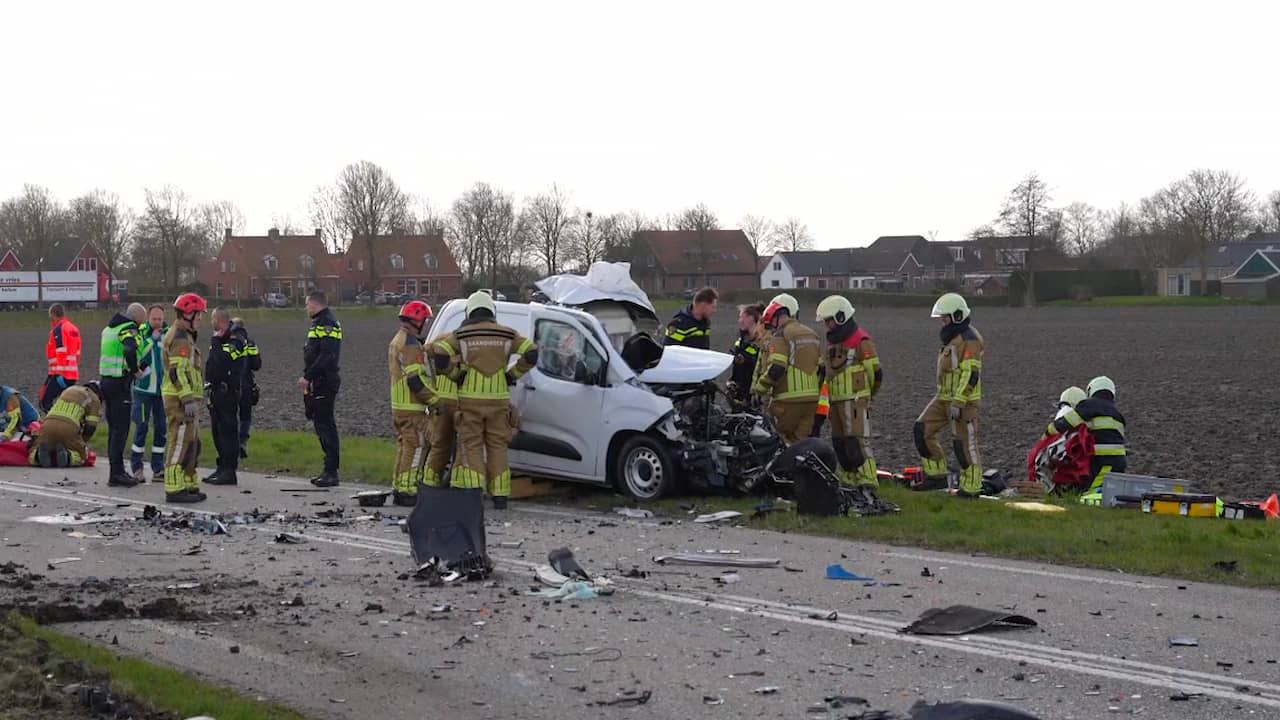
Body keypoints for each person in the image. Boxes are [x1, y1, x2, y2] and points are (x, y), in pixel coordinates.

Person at [432, 291, 537, 510]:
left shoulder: (461, 335)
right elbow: (531, 352)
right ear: (492, 311)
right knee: (497, 447)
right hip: (498, 401)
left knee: (472, 446)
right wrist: (511, 374)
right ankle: (500, 495)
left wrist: (455, 375)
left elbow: (439, 352)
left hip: (470, 401)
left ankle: (474, 492)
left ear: (470, 311)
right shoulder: (508, 334)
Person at [913, 292, 985, 495]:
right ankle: (937, 476)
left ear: (957, 316)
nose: (942, 322)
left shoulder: (969, 340)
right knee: (921, 430)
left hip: (963, 402)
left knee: (963, 445)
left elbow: (971, 373)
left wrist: (959, 401)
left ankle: (971, 488)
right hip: (943, 398)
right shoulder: (953, 338)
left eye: (944, 318)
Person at [816, 295, 883, 487]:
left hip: (854, 400)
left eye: (829, 320)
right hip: (836, 400)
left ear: (840, 317)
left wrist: (868, 396)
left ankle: (868, 479)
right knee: (839, 441)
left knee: (857, 440)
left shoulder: (861, 340)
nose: (827, 325)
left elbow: (876, 373)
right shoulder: (833, 342)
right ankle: (849, 477)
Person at [751, 293, 822, 444]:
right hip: (811, 402)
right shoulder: (812, 334)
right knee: (800, 446)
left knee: (780, 444)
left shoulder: (780, 334)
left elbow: (777, 367)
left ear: (776, 318)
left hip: (787, 401)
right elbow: (821, 368)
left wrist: (758, 391)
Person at [388, 301, 438, 506]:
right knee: (416, 446)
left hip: (400, 405)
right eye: (424, 320)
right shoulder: (409, 344)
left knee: (405, 446)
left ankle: (399, 486)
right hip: (411, 406)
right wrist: (435, 401)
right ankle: (407, 490)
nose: (425, 324)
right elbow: (415, 379)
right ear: (417, 320)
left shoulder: (399, 339)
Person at [1049, 376, 1126, 506]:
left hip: (1101, 459)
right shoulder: (1117, 414)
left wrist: (1049, 431)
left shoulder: (1089, 405)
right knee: (1108, 492)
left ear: (1091, 390)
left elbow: (1068, 422)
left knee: (1090, 495)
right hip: (1119, 461)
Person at [162, 293, 208, 503]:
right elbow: (177, 371)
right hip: (180, 400)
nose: (201, 318)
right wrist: (187, 398)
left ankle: (188, 484)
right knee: (180, 442)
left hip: (185, 399)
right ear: (188, 313)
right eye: (199, 315)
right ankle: (174, 488)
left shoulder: (185, 335)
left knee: (192, 443)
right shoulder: (180, 337)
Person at [98, 302, 148, 488]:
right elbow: (129, 348)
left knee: (113, 429)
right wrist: (135, 370)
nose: (140, 328)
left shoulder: (109, 328)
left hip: (106, 381)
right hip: (120, 383)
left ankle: (115, 471)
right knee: (121, 429)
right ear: (137, 319)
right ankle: (117, 474)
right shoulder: (128, 328)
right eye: (141, 324)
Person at [298, 291, 342, 487]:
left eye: (307, 305)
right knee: (321, 424)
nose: (306, 309)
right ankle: (328, 470)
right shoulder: (319, 323)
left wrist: (308, 377)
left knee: (326, 426)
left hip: (324, 381)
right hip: (319, 381)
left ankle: (331, 471)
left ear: (315, 304)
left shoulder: (327, 324)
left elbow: (326, 356)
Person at [204, 307, 246, 486]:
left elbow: (223, 360)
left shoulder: (236, 339)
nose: (211, 322)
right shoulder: (221, 338)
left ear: (219, 320)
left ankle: (230, 471)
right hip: (215, 391)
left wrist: (215, 341)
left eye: (213, 319)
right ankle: (221, 467)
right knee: (217, 432)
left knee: (228, 433)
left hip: (227, 392)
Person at [131, 305, 168, 482]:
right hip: (143, 390)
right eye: (154, 319)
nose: (157, 322)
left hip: (162, 392)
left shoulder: (167, 334)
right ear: (148, 318)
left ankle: (158, 468)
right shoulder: (141, 333)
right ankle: (137, 468)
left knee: (161, 429)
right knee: (141, 427)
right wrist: (151, 340)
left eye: (160, 319)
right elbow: (138, 356)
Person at [29, 381, 102, 468]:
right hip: (69, 427)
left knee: (33, 451)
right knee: (82, 456)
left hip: (47, 424)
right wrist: (82, 443)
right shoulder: (94, 399)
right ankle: (68, 456)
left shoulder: (69, 390)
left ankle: (37, 455)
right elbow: (90, 427)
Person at [41, 304, 82, 413]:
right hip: (72, 374)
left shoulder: (58, 330)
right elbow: (77, 352)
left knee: (44, 401)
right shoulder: (74, 329)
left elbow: (60, 351)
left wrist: (59, 373)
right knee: (66, 403)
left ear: (53, 314)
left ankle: (53, 425)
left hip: (60, 374)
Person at [229, 317, 261, 458]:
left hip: (232, 384)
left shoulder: (229, 341)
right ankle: (242, 441)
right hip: (247, 384)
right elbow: (256, 365)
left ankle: (232, 443)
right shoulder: (250, 342)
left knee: (231, 414)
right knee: (245, 415)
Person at [727, 303, 763, 408]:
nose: (739, 321)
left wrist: (745, 360)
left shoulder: (762, 341)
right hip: (739, 393)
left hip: (753, 395)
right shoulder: (741, 339)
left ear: (751, 319)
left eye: (742, 317)